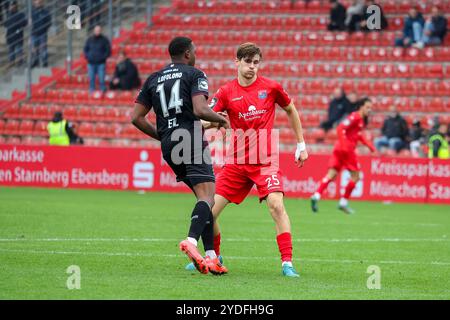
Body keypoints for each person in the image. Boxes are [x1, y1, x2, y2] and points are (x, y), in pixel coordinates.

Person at [185, 43, 309, 277]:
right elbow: (202, 120)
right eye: (248, 62)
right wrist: (212, 121)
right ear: (237, 62)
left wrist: (301, 144)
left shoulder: (271, 87)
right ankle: (214, 256)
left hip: (265, 162)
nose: (252, 67)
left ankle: (287, 263)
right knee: (208, 212)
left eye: (256, 62)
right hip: (236, 164)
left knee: (276, 205)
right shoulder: (225, 92)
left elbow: (291, 110)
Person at [132, 36, 230, 275]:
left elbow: (136, 117)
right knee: (208, 197)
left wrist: (163, 136)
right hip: (190, 140)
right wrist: (221, 119)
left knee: (202, 198)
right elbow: (200, 109)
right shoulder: (194, 74)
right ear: (187, 53)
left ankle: (211, 257)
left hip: (169, 145)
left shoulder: (154, 78)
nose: (195, 55)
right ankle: (191, 241)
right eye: (194, 51)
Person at [311, 98, 375, 214]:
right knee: (356, 176)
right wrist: (345, 144)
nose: (369, 110)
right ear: (361, 106)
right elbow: (340, 127)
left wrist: (369, 145)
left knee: (332, 174)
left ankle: (316, 195)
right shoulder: (355, 117)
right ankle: (343, 202)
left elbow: (358, 135)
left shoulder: (360, 120)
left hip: (339, 148)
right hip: (347, 149)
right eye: (367, 107)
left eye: (370, 108)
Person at [84, 25, 111, 94]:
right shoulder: (89, 39)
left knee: (102, 79)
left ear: (101, 31)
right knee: (91, 79)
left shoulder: (104, 40)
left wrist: (103, 57)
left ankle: (102, 91)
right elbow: (85, 49)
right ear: (94, 31)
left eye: (99, 30)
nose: (97, 32)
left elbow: (108, 50)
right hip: (91, 63)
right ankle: (92, 92)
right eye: (96, 30)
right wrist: (88, 56)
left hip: (101, 63)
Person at [4, 1, 27, 66]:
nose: (12, 7)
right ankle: (11, 62)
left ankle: (20, 61)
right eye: (11, 6)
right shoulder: (8, 15)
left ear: (16, 6)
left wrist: (15, 24)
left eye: (13, 5)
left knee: (19, 50)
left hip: (18, 35)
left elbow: (25, 23)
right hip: (10, 35)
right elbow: (5, 24)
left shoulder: (21, 14)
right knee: (11, 50)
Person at [31, 0, 51, 68]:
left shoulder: (46, 12)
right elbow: (30, 22)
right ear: (34, 3)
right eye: (37, 2)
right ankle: (35, 61)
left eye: (39, 2)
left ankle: (45, 62)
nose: (38, 4)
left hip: (42, 33)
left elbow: (49, 22)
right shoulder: (32, 12)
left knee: (43, 48)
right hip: (34, 33)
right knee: (34, 49)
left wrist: (45, 29)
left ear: (42, 3)